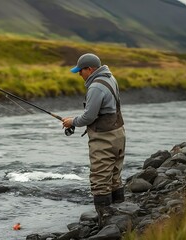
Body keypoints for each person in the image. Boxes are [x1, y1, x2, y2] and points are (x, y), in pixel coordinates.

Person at [62, 53, 126, 227]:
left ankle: (105, 222)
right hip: (118, 134)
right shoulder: (110, 78)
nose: (79, 74)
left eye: (80, 70)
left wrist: (71, 121)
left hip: (104, 138)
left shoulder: (96, 87)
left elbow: (89, 117)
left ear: (89, 69)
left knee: (99, 178)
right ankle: (120, 214)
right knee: (114, 176)